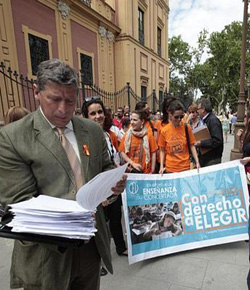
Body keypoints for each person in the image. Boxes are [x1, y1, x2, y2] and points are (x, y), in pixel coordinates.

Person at [0, 59, 127, 290]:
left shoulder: (92, 130)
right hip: (45, 256)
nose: (63, 109)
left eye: (70, 101)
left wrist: (114, 184)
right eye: (55, 99)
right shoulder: (12, 137)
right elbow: (19, 203)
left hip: (90, 249)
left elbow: (106, 167)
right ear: (37, 92)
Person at [82, 97, 128, 256]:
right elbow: (88, 169)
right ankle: (100, 259)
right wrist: (100, 194)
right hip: (97, 191)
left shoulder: (110, 135)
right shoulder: (85, 140)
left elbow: (113, 157)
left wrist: (121, 172)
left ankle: (121, 248)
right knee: (100, 226)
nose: (97, 116)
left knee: (116, 218)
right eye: (92, 113)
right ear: (86, 117)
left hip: (112, 186)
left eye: (100, 112)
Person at [158, 100, 200, 174]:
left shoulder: (187, 127)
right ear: (170, 114)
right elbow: (162, 150)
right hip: (170, 169)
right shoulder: (164, 130)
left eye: (181, 116)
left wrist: (197, 162)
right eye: (176, 117)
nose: (179, 119)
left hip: (185, 168)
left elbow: (192, 145)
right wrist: (161, 166)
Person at [195, 98, 223, 167]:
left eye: (198, 109)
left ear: (203, 109)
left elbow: (217, 141)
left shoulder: (213, 120)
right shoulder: (203, 120)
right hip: (205, 158)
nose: (197, 111)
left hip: (212, 159)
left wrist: (201, 143)